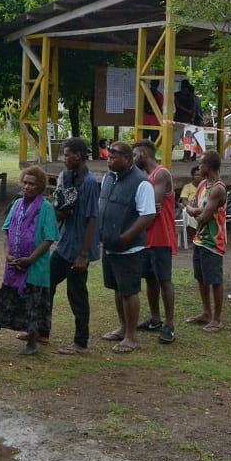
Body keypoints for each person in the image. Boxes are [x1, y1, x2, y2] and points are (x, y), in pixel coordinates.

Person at [0, 167, 58, 355]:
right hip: (14, 263)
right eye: (24, 182)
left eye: (31, 184)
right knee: (4, 300)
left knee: (33, 303)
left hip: (35, 265)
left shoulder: (46, 208)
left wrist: (30, 259)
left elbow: (49, 237)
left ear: (40, 186)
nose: (26, 186)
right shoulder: (17, 204)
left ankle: (32, 342)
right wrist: (9, 254)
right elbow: (7, 230)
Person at [96, 142, 157, 352]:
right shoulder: (108, 178)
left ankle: (131, 336)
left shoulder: (142, 183)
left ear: (128, 159)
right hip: (110, 245)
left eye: (114, 157)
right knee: (117, 288)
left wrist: (125, 237)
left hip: (129, 248)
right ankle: (122, 328)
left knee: (129, 291)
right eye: (109, 157)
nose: (109, 160)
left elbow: (148, 215)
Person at [45, 138, 101, 355]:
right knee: (46, 284)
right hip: (65, 244)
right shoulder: (69, 178)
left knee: (77, 294)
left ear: (77, 155)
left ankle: (81, 342)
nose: (64, 158)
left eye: (66, 154)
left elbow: (92, 220)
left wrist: (84, 255)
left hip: (78, 248)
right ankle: (42, 330)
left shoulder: (88, 182)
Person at [133, 140, 177, 344]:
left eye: (135, 155)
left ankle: (169, 324)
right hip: (146, 237)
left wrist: (141, 207)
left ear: (144, 153)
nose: (133, 160)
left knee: (164, 280)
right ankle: (155, 319)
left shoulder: (161, 173)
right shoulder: (143, 176)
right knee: (150, 279)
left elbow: (151, 205)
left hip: (161, 237)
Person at [185, 151, 227, 332]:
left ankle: (217, 318)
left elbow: (203, 216)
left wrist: (193, 211)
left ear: (208, 167)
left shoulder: (218, 188)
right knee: (201, 278)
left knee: (215, 280)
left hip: (213, 240)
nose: (198, 167)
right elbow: (189, 207)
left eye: (201, 164)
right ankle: (206, 313)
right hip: (200, 239)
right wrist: (194, 210)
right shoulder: (203, 184)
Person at [173, 79, 197, 161]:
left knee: (174, 139)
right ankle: (186, 158)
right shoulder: (191, 96)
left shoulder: (177, 95)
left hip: (179, 119)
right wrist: (191, 117)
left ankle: (168, 156)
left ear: (181, 86)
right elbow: (193, 109)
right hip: (188, 120)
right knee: (187, 140)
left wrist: (185, 110)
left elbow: (177, 105)